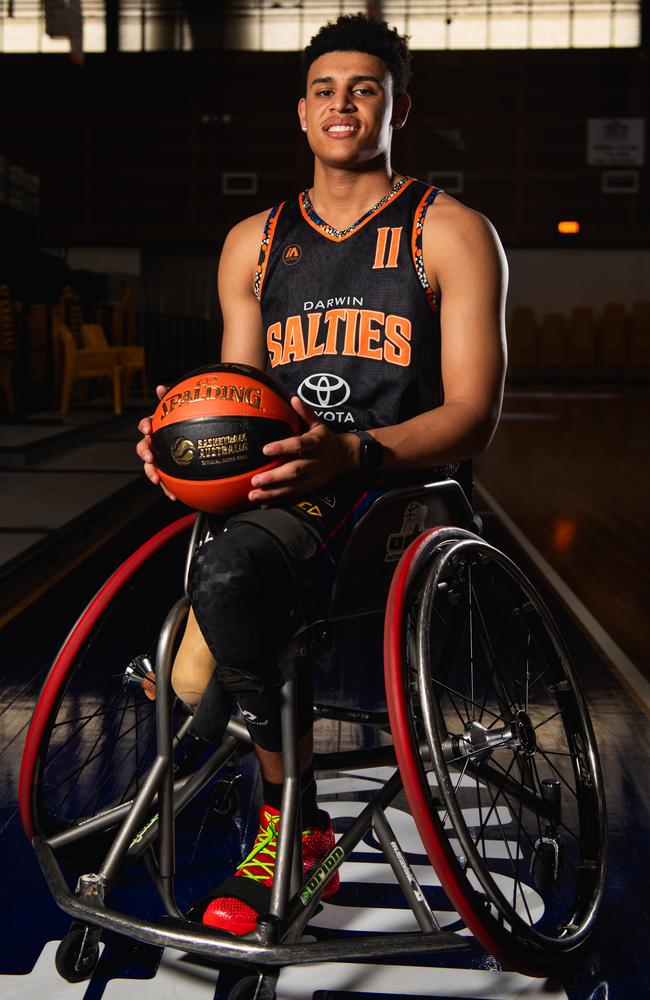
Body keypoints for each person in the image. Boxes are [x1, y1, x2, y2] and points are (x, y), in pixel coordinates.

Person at [136, 12, 507, 936]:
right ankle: (245, 726)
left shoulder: (451, 231)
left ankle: (288, 823)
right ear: (302, 113)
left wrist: (353, 451)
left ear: (399, 109)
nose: (343, 104)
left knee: (225, 588)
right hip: (285, 492)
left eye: (366, 88)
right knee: (205, 630)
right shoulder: (253, 243)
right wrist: (184, 443)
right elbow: (237, 391)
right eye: (326, 89)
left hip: (397, 491)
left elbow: (473, 415)